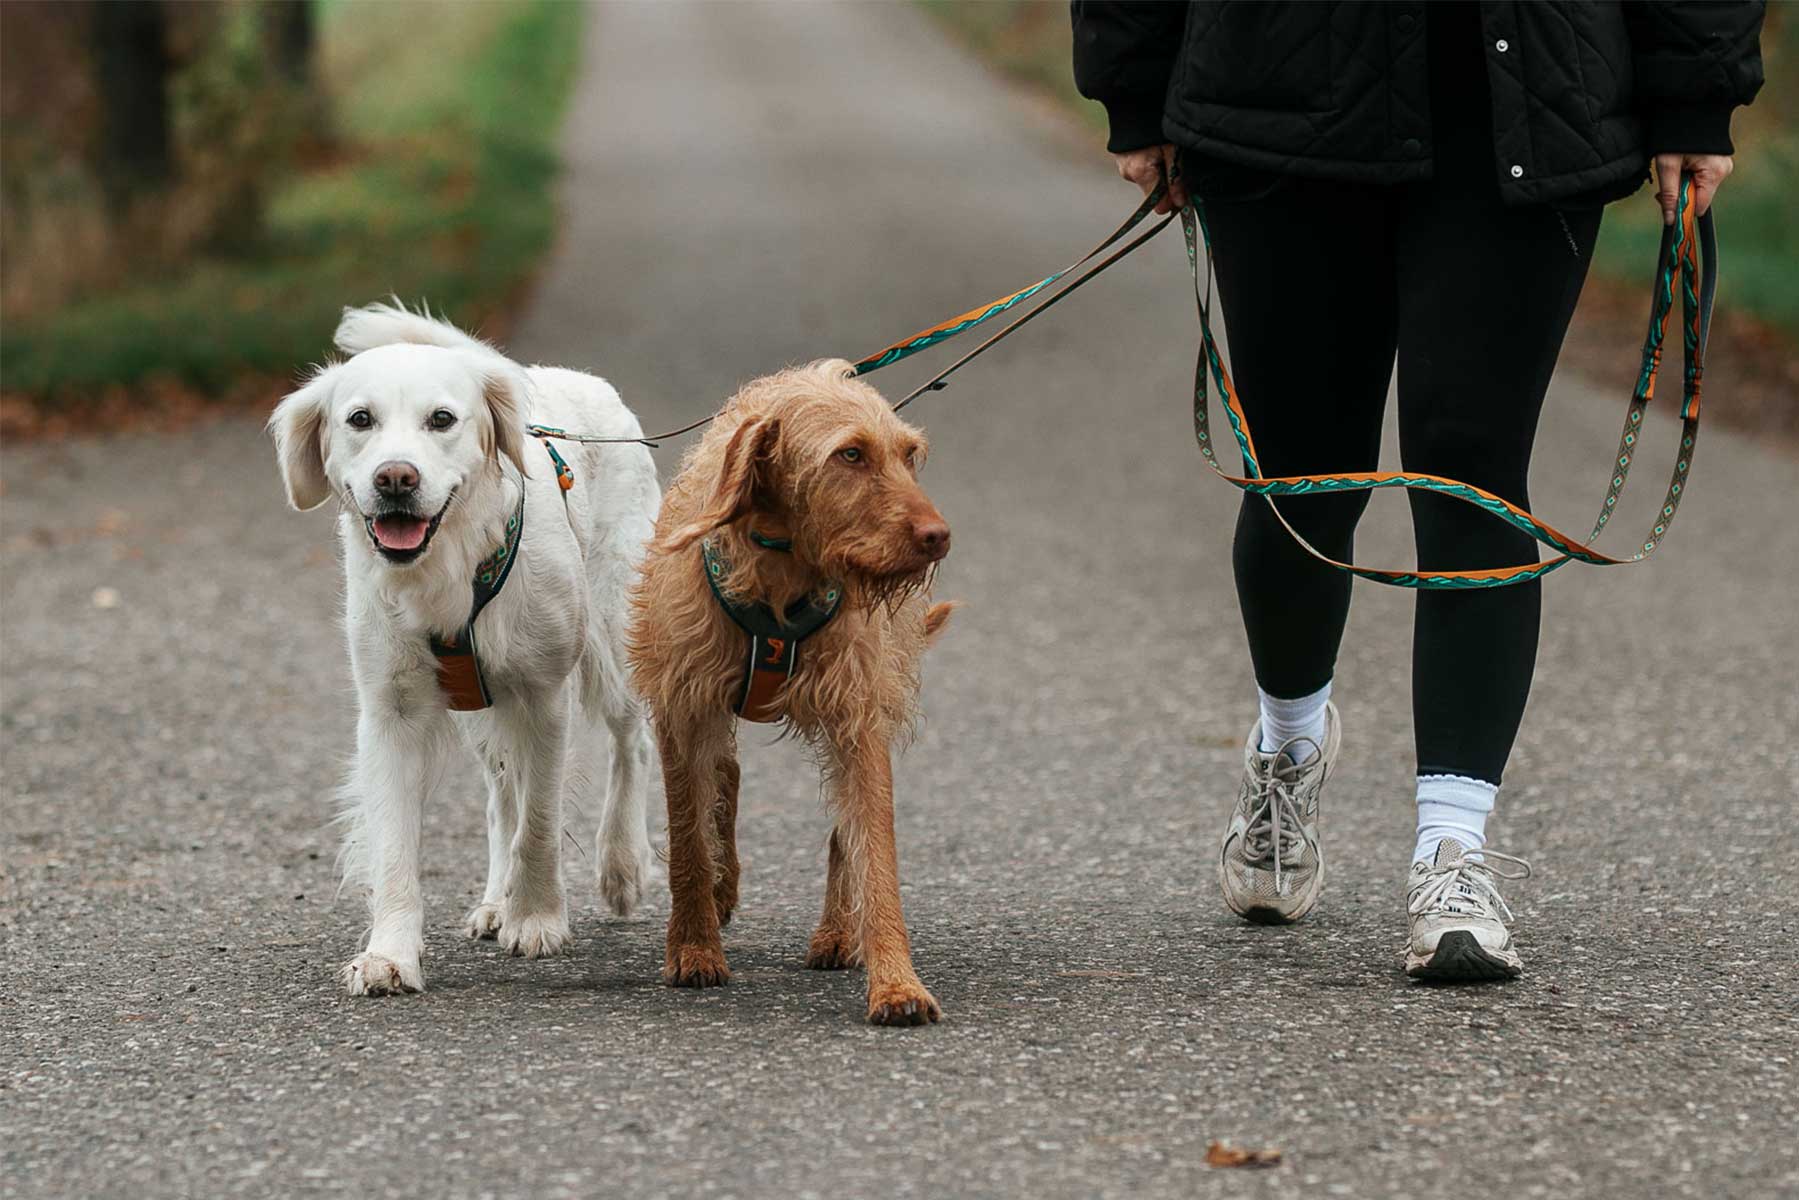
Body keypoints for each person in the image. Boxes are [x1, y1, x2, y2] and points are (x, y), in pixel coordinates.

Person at [1072, 1, 1764, 980]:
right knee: (1300, 471)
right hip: (1275, 97)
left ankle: (1452, 849)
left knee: (1471, 471)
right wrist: (1132, 81)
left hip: (1525, 103)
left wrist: (1695, 92)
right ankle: (1288, 744)